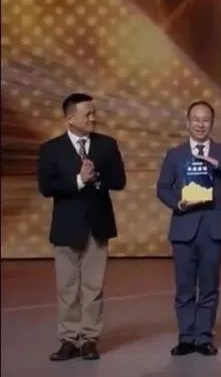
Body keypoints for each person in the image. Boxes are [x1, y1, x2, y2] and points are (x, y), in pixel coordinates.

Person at [156, 100, 221, 356]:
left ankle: (204, 337)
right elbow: (162, 188)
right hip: (183, 227)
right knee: (184, 287)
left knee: (209, 286)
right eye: (196, 120)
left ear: (212, 123)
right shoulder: (175, 154)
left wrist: (217, 164)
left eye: (206, 120)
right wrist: (177, 203)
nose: (201, 124)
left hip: (213, 228)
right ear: (187, 123)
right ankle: (186, 337)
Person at [37, 93, 126, 361]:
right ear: (69, 118)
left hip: (98, 225)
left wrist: (95, 179)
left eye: (94, 113)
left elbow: (119, 181)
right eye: (87, 114)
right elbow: (46, 187)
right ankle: (69, 339)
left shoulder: (106, 145)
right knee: (67, 287)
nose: (93, 118)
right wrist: (78, 180)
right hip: (66, 227)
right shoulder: (50, 149)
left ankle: (89, 339)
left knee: (93, 286)